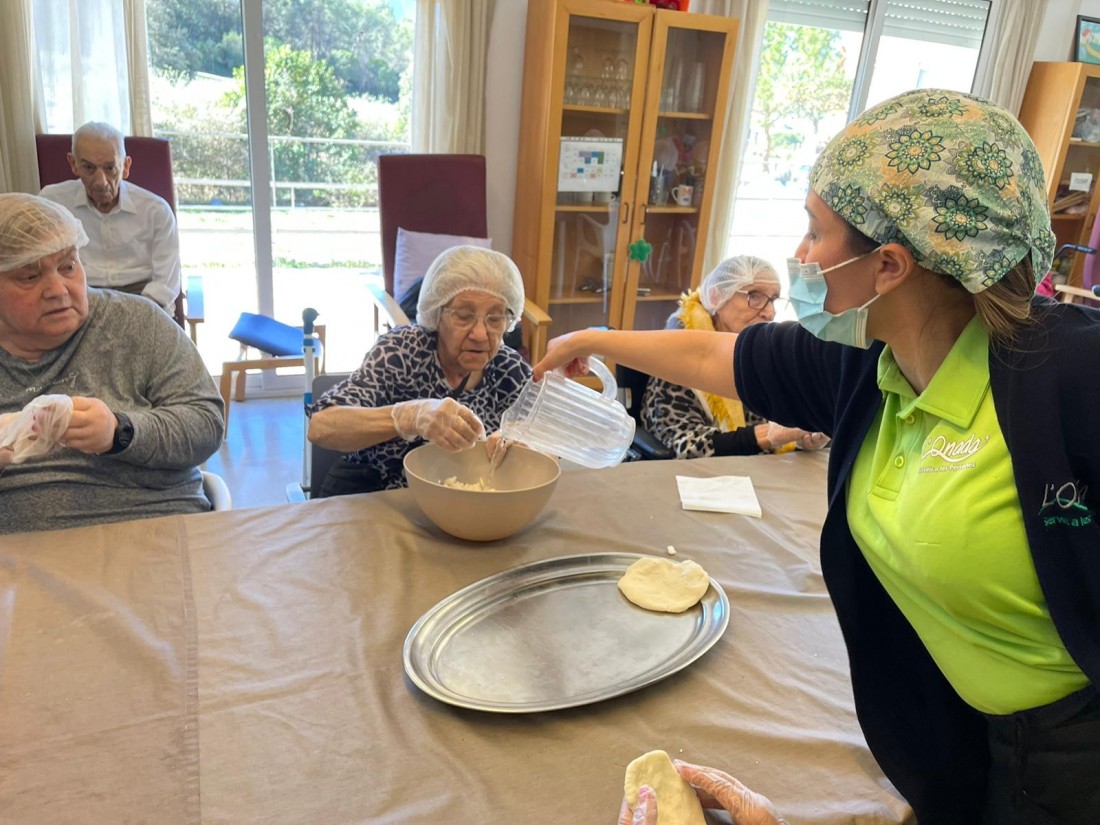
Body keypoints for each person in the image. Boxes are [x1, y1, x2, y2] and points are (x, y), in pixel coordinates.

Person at [534, 89, 1099, 824]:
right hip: (963, 731)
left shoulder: (1071, 377)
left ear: (889, 265)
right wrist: (589, 340)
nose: (800, 256)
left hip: (1074, 758)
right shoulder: (868, 357)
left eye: (814, 231)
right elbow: (715, 354)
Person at [0, 193, 224, 535]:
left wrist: (120, 432)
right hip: (25, 552)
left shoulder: (138, 322)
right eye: (30, 277)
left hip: (157, 527)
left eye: (68, 266)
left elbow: (207, 424)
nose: (58, 290)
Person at [308, 245, 531, 497]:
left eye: (495, 318)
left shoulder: (508, 369)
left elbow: (547, 440)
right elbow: (321, 426)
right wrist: (409, 416)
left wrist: (526, 445)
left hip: (461, 505)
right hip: (376, 496)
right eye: (463, 315)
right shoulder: (402, 351)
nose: (480, 334)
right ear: (437, 314)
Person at [641, 254, 826, 457]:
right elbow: (685, 446)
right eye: (754, 296)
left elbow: (791, 419)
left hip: (761, 469)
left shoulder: (764, 355)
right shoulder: (679, 358)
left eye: (773, 300)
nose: (769, 312)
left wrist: (803, 438)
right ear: (717, 296)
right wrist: (769, 435)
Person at [39, 121, 181, 311]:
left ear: (126, 166)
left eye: (110, 168)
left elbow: (165, 284)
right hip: (79, 298)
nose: (101, 182)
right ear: (73, 164)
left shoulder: (156, 211)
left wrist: (135, 315)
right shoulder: (52, 204)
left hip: (143, 300)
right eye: (89, 168)